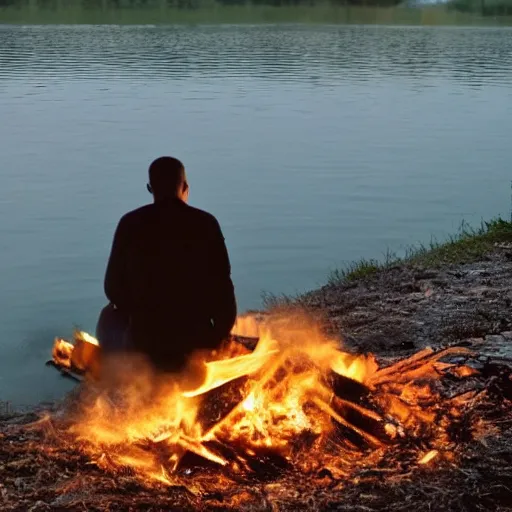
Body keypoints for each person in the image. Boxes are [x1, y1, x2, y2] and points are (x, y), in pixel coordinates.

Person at [97, 156, 237, 373]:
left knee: (108, 315)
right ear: (185, 187)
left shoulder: (130, 224)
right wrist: (219, 336)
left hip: (146, 341)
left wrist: (141, 309)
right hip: (198, 340)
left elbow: (113, 289)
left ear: (149, 188)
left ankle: (122, 370)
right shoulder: (207, 223)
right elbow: (224, 288)